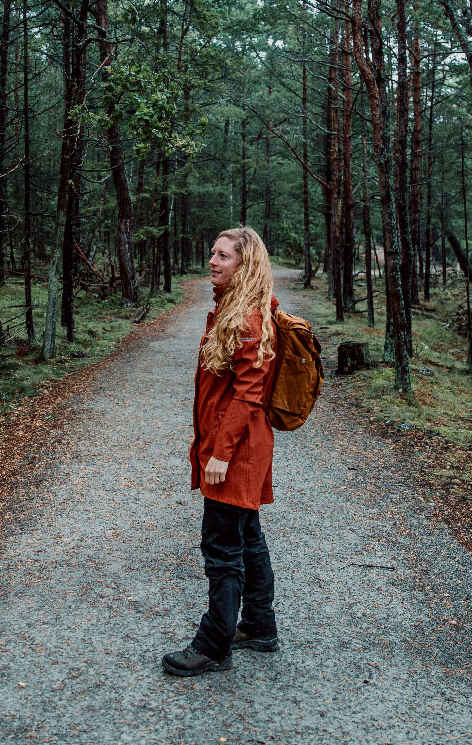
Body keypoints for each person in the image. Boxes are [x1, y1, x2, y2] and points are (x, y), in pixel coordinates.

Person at [162, 226, 282, 677]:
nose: (212, 261)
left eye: (224, 256)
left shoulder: (247, 319)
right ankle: (257, 625)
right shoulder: (235, 311)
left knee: (221, 547)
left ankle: (213, 645)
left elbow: (249, 396)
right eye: (212, 253)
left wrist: (221, 454)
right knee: (247, 535)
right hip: (237, 450)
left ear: (245, 265)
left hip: (236, 454)